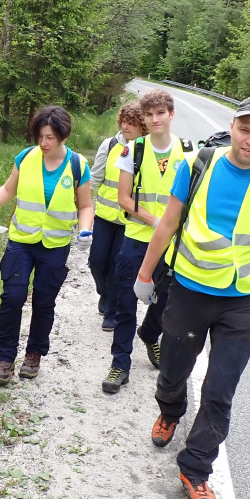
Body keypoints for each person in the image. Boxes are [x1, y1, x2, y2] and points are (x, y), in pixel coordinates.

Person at [132, 95, 250, 499]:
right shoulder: (198, 166)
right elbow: (169, 222)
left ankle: (196, 468)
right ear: (233, 126)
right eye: (245, 130)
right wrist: (145, 274)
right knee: (172, 372)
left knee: (221, 390)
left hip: (243, 301)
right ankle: (170, 410)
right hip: (189, 290)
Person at [0, 106, 94, 386]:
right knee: (13, 298)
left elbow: (86, 205)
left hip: (55, 245)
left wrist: (86, 230)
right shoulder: (26, 157)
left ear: (63, 136)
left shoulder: (78, 165)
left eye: (50, 137)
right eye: (40, 136)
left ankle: (34, 354)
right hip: (21, 241)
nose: (43, 143)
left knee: (43, 301)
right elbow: (8, 189)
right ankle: (5, 357)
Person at [102, 88, 189, 394]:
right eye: (149, 114)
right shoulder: (133, 150)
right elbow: (123, 198)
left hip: (174, 245)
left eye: (160, 113)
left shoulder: (189, 152)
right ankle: (120, 364)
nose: (155, 119)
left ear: (171, 115)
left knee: (166, 302)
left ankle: (150, 334)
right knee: (126, 302)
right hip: (137, 238)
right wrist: (156, 222)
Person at [89, 102, 147, 332]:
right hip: (104, 216)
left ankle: (111, 311)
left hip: (129, 221)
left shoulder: (146, 151)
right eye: (123, 121)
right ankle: (104, 293)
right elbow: (95, 178)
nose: (125, 126)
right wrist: (80, 203)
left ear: (142, 126)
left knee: (117, 266)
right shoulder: (110, 144)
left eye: (131, 123)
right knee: (97, 262)